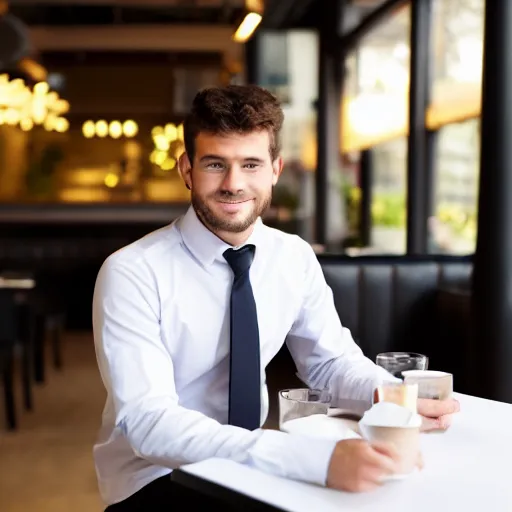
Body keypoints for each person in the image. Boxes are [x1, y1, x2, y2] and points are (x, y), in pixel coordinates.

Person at [92, 85, 459, 511]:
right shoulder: (132, 272)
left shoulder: (293, 257)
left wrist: (393, 397)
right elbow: (148, 423)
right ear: (187, 170)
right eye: (215, 164)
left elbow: (331, 362)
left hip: (256, 462)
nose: (234, 184)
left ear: (275, 170)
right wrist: (310, 460)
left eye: (251, 164)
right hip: (156, 475)